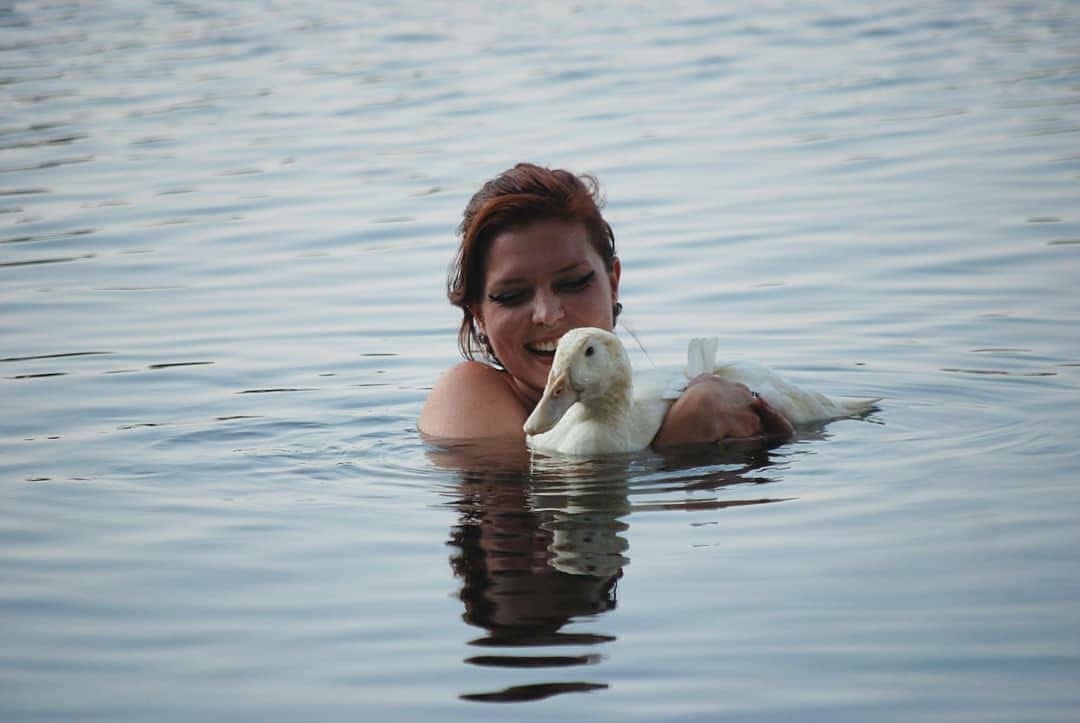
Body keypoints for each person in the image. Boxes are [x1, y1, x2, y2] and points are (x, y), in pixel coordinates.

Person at [419, 162, 793, 446]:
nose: (548, 314)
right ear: (478, 315)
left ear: (613, 283)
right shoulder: (466, 392)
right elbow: (526, 494)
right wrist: (678, 438)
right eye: (511, 296)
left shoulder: (646, 401)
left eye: (574, 282)